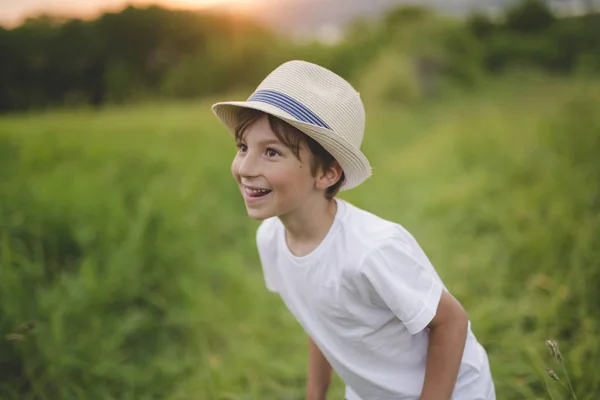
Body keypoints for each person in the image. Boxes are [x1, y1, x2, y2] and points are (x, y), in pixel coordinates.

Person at [211, 60, 495, 400]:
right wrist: (315, 395)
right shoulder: (271, 238)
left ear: (328, 174)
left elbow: (451, 322)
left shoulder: (372, 250)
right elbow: (320, 318)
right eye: (243, 147)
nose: (245, 167)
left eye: (271, 152)